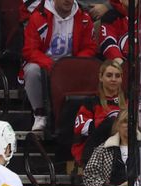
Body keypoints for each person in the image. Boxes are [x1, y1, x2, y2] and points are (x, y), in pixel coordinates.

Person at [21, 0, 98, 132]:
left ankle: (88, 113)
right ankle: (40, 114)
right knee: (32, 71)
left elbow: (90, 47)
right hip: (46, 65)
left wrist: (74, 64)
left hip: (72, 66)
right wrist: (52, 65)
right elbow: (30, 50)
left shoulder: (84, 18)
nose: (67, 1)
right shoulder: (38, 17)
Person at [83, 109, 141, 186]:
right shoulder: (103, 149)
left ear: (137, 125)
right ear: (118, 125)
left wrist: (136, 184)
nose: (129, 125)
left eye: (132, 122)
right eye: (125, 121)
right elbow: (90, 175)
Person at [72, 59, 126, 165]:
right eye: (109, 75)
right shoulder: (91, 102)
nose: (113, 79)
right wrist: (110, 125)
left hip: (124, 147)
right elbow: (81, 128)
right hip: (97, 149)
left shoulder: (129, 102)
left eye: (117, 76)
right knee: (110, 123)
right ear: (101, 77)